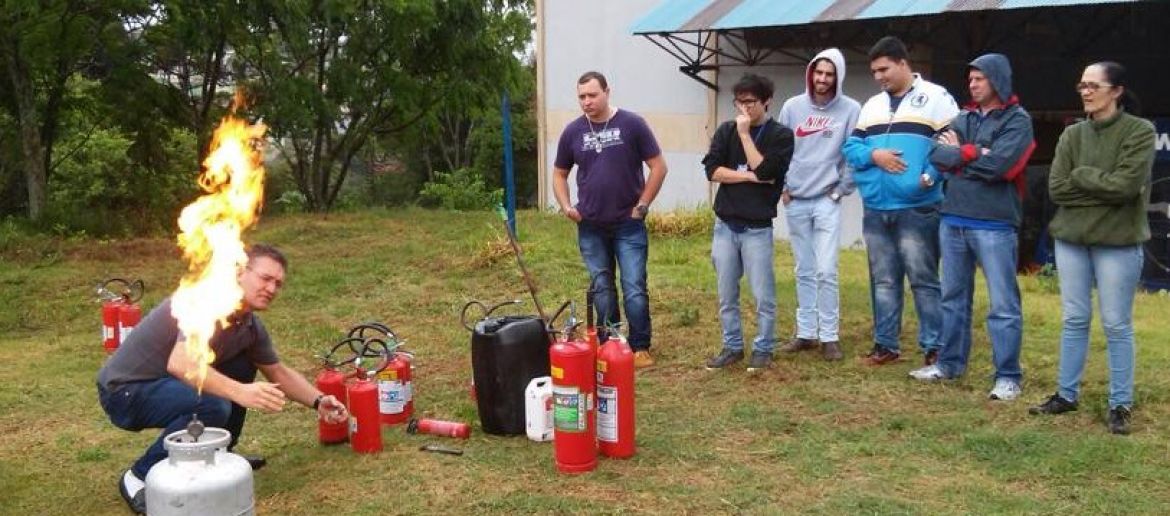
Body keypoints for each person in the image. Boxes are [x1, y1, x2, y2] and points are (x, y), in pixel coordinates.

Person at [97, 244, 348, 514]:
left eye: (278, 284)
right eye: (265, 278)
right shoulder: (204, 301)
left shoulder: (248, 324)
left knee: (242, 364)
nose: (272, 289)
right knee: (213, 404)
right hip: (125, 391)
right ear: (240, 272)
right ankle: (138, 477)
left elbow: (277, 371)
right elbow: (181, 363)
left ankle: (220, 454)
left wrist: (319, 401)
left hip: (166, 384)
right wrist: (240, 391)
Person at [1029, 62, 1155, 435]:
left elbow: (1126, 187)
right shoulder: (1072, 134)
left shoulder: (1139, 131)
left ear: (1116, 91)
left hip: (1117, 242)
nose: (1085, 92)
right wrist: (1103, 189)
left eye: (1093, 86)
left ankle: (1120, 404)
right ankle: (1066, 395)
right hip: (1071, 239)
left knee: (1116, 323)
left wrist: (1082, 176)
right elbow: (1057, 189)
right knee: (1074, 319)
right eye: (1081, 85)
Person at [907, 54, 1036, 402]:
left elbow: (1002, 168)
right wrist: (977, 152)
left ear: (997, 79)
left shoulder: (1018, 121)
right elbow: (936, 155)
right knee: (952, 298)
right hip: (953, 219)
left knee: (1003, 305)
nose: (973, 84)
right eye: (971, 79)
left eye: (980, 78)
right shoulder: (963, 117)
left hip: (995, 224)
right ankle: (949, 364)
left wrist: (961, 156)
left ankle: (1007, 376)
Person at [843, 36, 959, 366]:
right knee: (883, 279)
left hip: (917, 207)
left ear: (903, 63)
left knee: (923, 279)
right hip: (876, 207)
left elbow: (952, 143)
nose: (878, 77)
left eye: (884, 69)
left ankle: (934, 346)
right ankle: (885, 345)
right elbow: (851, 148)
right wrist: (875, 155)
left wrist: (930, 177)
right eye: (874, 71)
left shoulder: (936, 98)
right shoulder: (872, 105)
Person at [552, 71, 667, 369]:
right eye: (581, 97)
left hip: (628, 224)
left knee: (634, 286)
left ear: (607, 92)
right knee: (602, 287)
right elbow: (560, 173)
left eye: (592, 95)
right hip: (591, 225)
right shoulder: (573, 132)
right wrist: (566, 206)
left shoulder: (632, 124)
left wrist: (642, 205)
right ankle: (609, 343)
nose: (587, 102)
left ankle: (640, 346)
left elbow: (658, 167)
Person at [702, 73, 794, 372]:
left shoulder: (780, 135)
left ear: (766, 101)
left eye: (750, 102)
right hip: (725, 224)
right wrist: (749, 177)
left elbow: (767, 170)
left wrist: (745, 136)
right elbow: (712, 170)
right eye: (739, 102)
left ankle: (764, 347)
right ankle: (732, 346)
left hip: (757, 228)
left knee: (763, 294)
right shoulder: (725, 130)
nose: (744, 108)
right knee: (726, 293)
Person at [776, 48, 861, 361]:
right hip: (796, 199)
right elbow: (779, 148)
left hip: (827, 199)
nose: (823, 79)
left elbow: (854, 153)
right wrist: (783, 187)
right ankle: (806, 333)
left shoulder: (851, 109)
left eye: (829, 74)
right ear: (811, 73)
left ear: (838, 77)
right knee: (804, 269)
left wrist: (841, 191)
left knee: (826, 270)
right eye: (819, 72)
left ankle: (829, 336)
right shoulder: (792, 107)